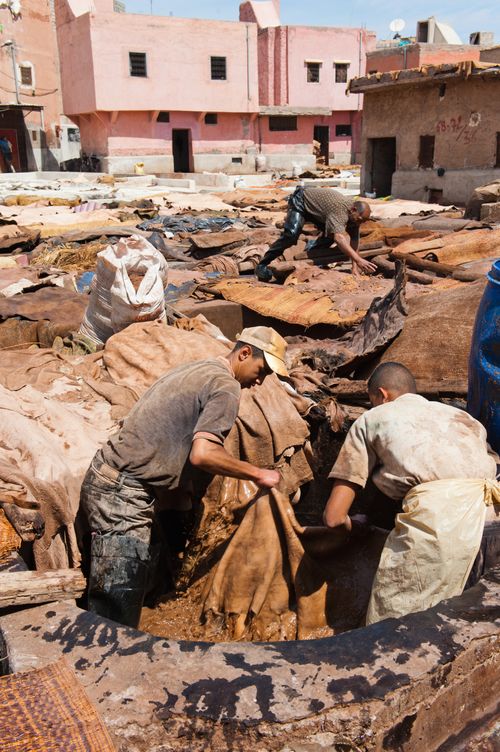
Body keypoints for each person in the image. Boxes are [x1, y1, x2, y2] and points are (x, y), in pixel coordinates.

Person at [81, 326, 289, 627]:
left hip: (109, 476)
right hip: (121, 494)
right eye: (262, 371)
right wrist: (258, 474)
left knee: (134, 582)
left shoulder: (200, 368)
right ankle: (104, 651)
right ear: (245, 353)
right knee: (117, 607)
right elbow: (203, 454)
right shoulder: (226, 387)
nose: (260, 381)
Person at [323, 361, 499, 624]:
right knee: (482, 629)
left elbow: (333, 518)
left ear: (382, 395)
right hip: (494, 519)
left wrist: (355, 525)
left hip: (443, 531)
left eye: (372, 401)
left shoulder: (372, 419)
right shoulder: (462, 417)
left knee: (397, 627)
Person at [255, 186, 376, 282]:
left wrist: (354, 268)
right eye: (359, 220)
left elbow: (354, 240)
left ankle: (312, 252)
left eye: (362, 221)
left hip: (319, 212)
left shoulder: (354, 217)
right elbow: (339, 238)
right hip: (301, 201)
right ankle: (262, 264)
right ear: (353, 210)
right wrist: (359, 260)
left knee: (330, 234)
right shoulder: (340, 210)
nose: (359, 223)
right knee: (291, 235)